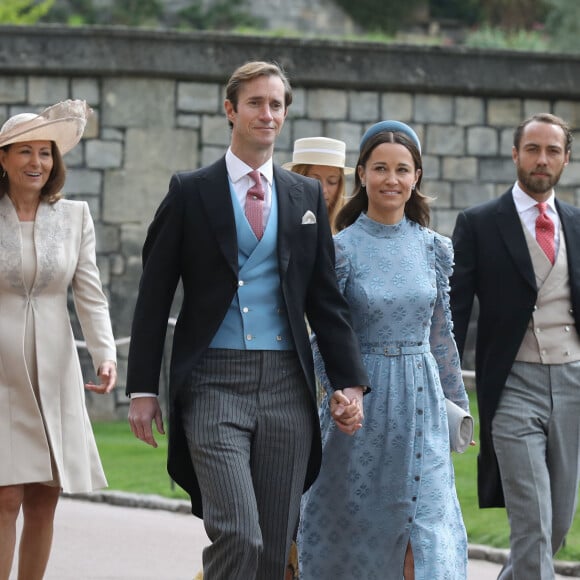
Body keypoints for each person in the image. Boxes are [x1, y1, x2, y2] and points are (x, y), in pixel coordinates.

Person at [125, 60, 369, 580]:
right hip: (214, 379)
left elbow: (325, 299)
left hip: (287, 385)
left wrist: (349, 382)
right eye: (255, 103)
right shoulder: (191, 191)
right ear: (230, 109)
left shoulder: (303, 196)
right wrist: (143, 387)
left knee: (274, 545)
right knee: (239, 532)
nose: (267, 113)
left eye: (276, 104)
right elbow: (153, 295)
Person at [298, 120, 470, 579]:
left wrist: (458, 405)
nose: (391, 179)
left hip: (423, 406)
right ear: (361, 174)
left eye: (402, 169)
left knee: (424, 539)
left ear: (416, 177)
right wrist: (338, 393)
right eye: (380, 168)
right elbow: (327, 335)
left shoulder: (434, 248)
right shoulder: (341, 249)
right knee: (360, 534)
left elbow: (441, 334)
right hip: (363, 408)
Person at [450, 113, 580, 579]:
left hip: (572, 383)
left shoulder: (577, 224)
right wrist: (445, 382)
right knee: (534, 526)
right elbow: (454, 313)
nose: (541, 160)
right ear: (515, 154)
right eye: (532, 149)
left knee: (556, 523)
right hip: (512, 385)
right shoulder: (479, 223)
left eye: (552, 151)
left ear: (566, 158)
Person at [0, 100, 117, 580]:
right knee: (5, 494)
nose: (36, 163)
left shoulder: (75, 217)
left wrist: (106, 355)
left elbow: (90, 293)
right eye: (24, 152)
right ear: (2, 158)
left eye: (45, 153)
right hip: (2, 370)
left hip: (55, 364)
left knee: (46, 496)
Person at [283, 136, 354, 232]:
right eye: (314, 181)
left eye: (332, 182)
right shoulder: (276, 220)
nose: (323, 190)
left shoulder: (352, 228)